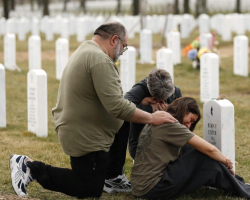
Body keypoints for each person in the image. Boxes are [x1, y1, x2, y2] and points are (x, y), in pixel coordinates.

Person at [9, 22, 176, 199]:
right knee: (89, 189)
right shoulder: (100, 61)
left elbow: (111, 101)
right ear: (114, 40)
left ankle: (112, 177)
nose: (122, 51)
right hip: (85, 135)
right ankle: (29, 167)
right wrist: (152, 117)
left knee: (127, 117)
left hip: (82, 127)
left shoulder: (87, 49)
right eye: (124, 46)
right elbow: (118, 106)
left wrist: (143, 103)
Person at [130, 97, 250, 200]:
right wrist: (225, 161)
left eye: (193, 123)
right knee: (202, 156)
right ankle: (243, 190)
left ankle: (239, 183)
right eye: (191, 120)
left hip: (139, 187)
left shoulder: (159, 118)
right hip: (152, 188)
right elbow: (210, 150)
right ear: (184, 109)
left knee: (190, 148)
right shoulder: (171, 124)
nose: (189, 125)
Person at [104, 68, 182, 193]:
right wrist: (147, 108)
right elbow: (121, 111)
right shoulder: (139, 91)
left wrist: (167, 112)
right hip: (141, 144)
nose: (162, 102)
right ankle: (113, 176)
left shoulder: (175, 92)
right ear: (149, 90)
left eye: (165, 99)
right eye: (157, 99)